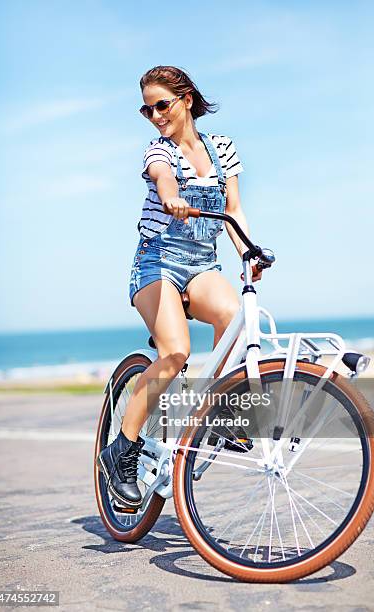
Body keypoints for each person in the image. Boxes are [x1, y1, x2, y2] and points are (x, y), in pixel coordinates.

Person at [97, 66, 262, 509]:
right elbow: (162, 176)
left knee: (237, 318)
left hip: (201, 265)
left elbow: (235, 210)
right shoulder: (160, 152)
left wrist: (248, 251)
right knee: (175, 353)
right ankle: (121, 451)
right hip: (156, 264)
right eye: (146, 109)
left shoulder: (222, 148)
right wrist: (170, 196)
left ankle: (224, 415)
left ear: (186, 99)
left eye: (161, 105)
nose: (154, 115)